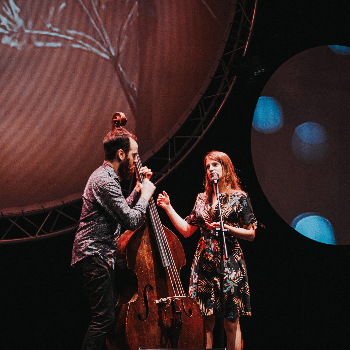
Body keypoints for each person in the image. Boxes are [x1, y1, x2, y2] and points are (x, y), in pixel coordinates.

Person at [157, 150, 257, 350]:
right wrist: (168, 208)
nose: (211, 169)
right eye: (208, 166)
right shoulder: (201, 199)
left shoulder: (239, 198)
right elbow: (187, 230)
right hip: (204, 263)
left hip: (230, 264)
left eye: (215, 165)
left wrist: (227, 227)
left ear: (226, 169)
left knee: (231, 322)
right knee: (205, 322)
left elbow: (251, 233)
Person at [71, 126, 155, 350]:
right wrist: (146, 195)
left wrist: (137, 190)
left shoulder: (107, 177)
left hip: (97, 255)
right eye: (134, 155)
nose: (136, 160)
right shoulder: (105, 180)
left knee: (107, 316)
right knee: (104, 319)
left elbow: (119, 211)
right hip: (94, 253)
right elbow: (131, 220)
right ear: (121, 154)